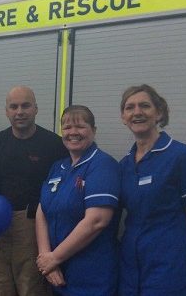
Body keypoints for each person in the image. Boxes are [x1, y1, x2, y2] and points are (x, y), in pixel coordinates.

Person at [0, 86, 68, 296]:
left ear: (36, 109)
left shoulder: (54, 145)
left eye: (25, 105)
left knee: (31, 288)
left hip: (35, 230)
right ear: (6, 111)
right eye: (13, 107)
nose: (19, 111)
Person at [118, 84, 186, 295]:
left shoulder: (181, 156)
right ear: (123, 117)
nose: (137, 112)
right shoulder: (124, 165)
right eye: (130, 107)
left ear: (159, 113)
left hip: (170, 268)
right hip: (130, 267)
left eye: (145, 106)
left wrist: (173, 251)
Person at [35, 105, 120, 295]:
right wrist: (45, 258)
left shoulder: (103, 165)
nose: (73, 132)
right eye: (66, 127)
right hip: (57, 273)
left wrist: (54, 257)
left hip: (91, 275)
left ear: (94, 130)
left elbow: (97, 220)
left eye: (80, 126)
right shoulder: (58, 167)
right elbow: (42, 211)